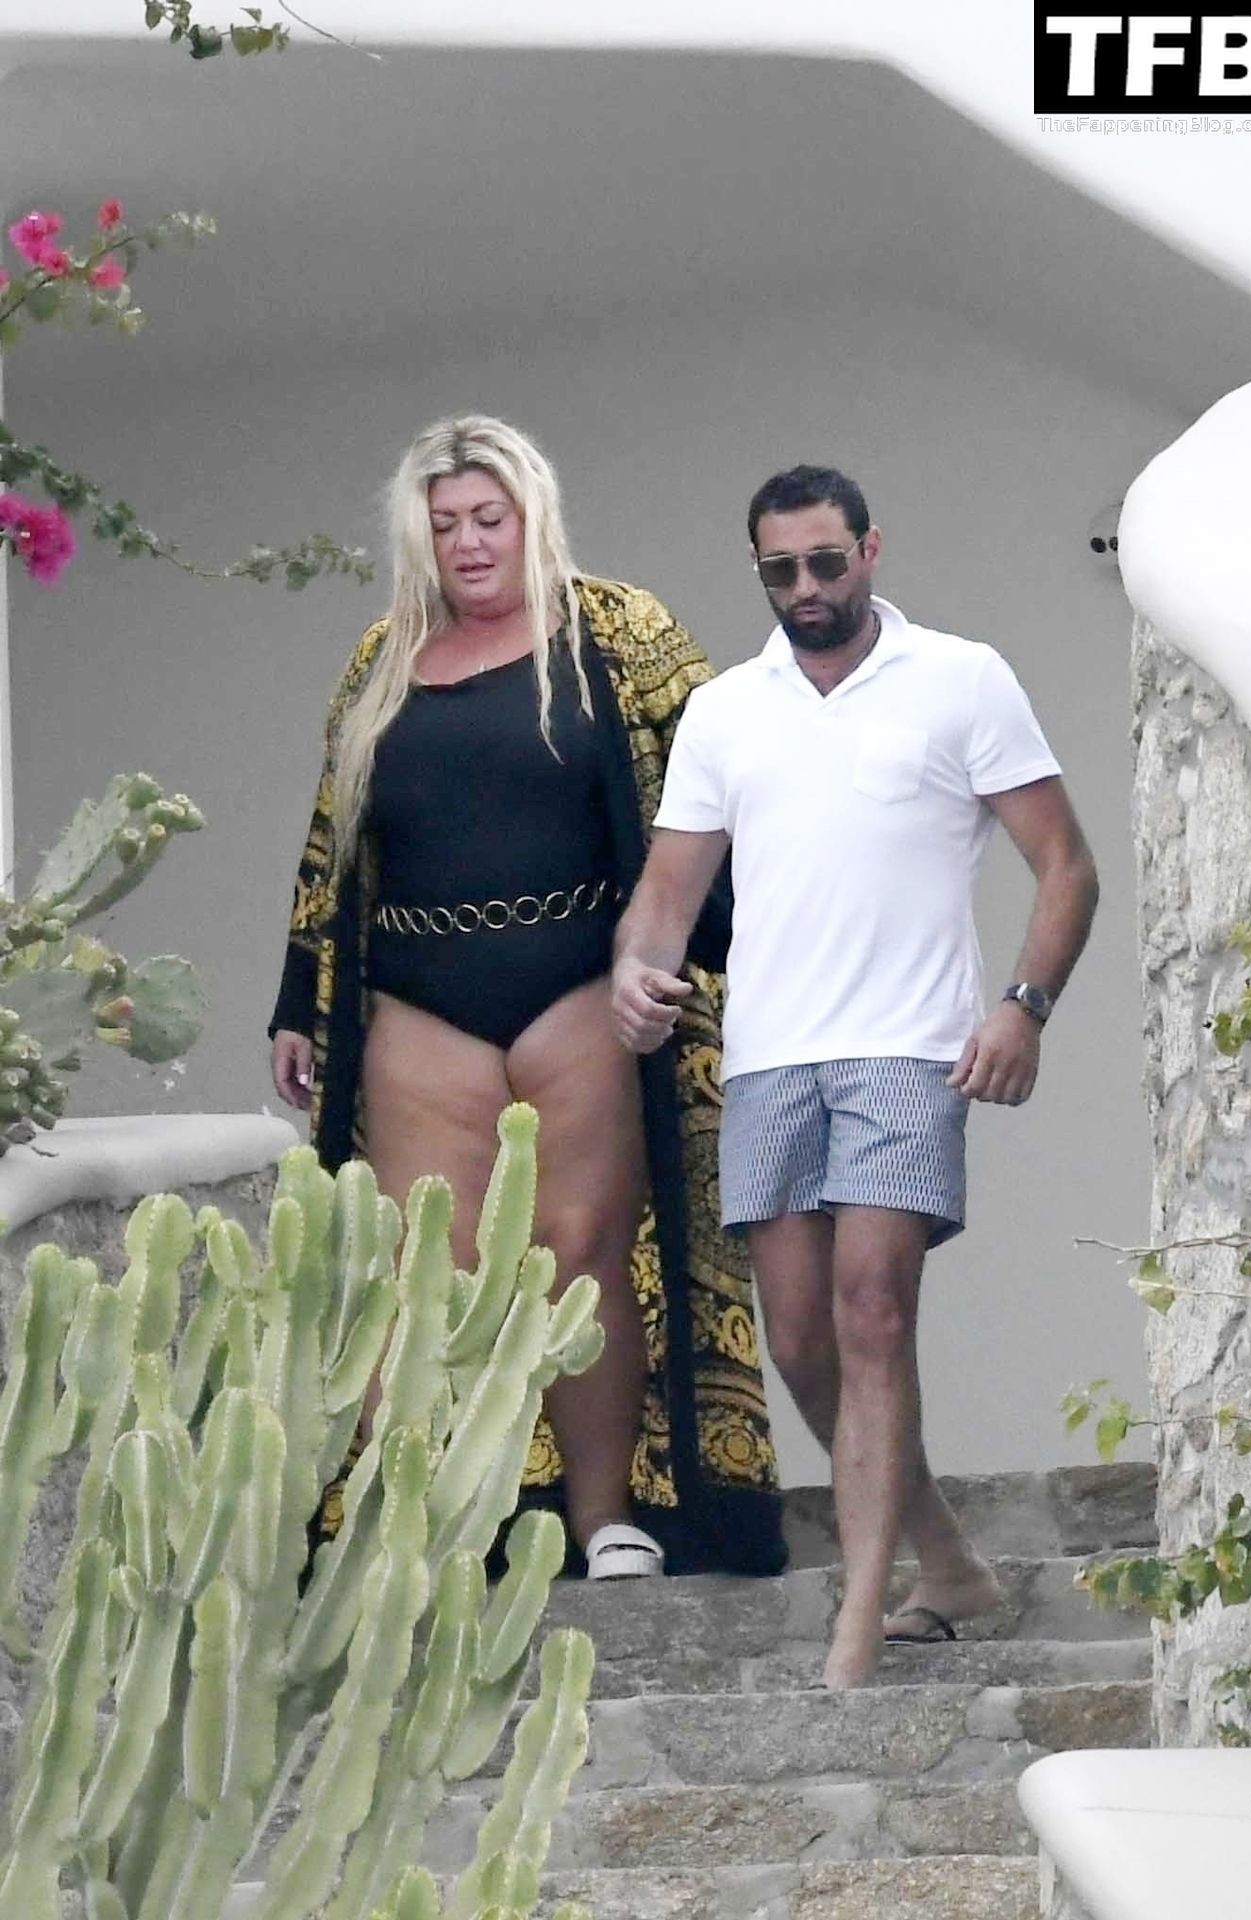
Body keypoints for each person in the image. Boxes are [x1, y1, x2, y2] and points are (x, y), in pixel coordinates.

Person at [268, 414, 786, 1582]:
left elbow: (718, 791)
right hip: (418, 995)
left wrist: (732, 947)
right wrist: (299, 996)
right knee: (423, 1269)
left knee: (578, 1250)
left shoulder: (620, 632)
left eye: (487, 519)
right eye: (446, 523)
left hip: (581, 986)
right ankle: (422, 1524)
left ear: (529, 516)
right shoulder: (380, 659)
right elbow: (331, 842)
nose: (468, 542)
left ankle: (603, 1519)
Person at [611, 463, 1099, 1683]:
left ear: (870, 550)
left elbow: (1065, 866)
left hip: (909, 1049)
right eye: (780, 569)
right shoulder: (726, 710)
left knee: (872, 1308)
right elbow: (667, 893)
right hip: (769, 1058)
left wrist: (1023, 1009)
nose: (806, 587)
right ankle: (946, 1560)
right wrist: (635, 973)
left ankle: (855, 1628)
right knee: (799, 1342)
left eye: (826, 562)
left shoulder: (960, 679)